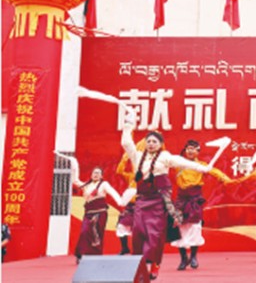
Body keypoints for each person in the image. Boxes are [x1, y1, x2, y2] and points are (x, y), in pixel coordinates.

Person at [121, 113, 213, 280]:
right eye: (149, 141)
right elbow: (126, 143)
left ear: (160, 144)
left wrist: (202, 169)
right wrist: (128, 125)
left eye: (154, 141)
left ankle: (154, 265)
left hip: (158, 202)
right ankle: (140, 266)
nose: (151, 144)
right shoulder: (138, 156)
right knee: (139, 233)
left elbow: (183, 162)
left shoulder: (165, 157)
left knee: (154, 235)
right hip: (142, 201)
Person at [171, 139, 235, 271]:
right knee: (179, 227)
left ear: (198, 152)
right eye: (188, 148)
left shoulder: (202, 165)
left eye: (193, 149)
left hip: (195, 199)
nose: (190, 151)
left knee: (195, 227)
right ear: (185, 150)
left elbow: (215, 172)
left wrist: (226, 180)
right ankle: (183, 258)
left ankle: (193, 256)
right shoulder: (178, 163)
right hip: (181, 199)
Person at [56, 153, 125, 263]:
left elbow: (113, 192)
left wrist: (120, 201)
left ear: (101, 176)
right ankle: (81, 254)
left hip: (100, 213)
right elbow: (75, 180)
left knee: (96, 235)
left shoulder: (104, 184)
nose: (95, 174)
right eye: (94, 173)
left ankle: (94, 257)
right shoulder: (86, 185)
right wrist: (73, 163)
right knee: (84, 232)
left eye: (98, 173)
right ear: (91, 174)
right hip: (88, 213)